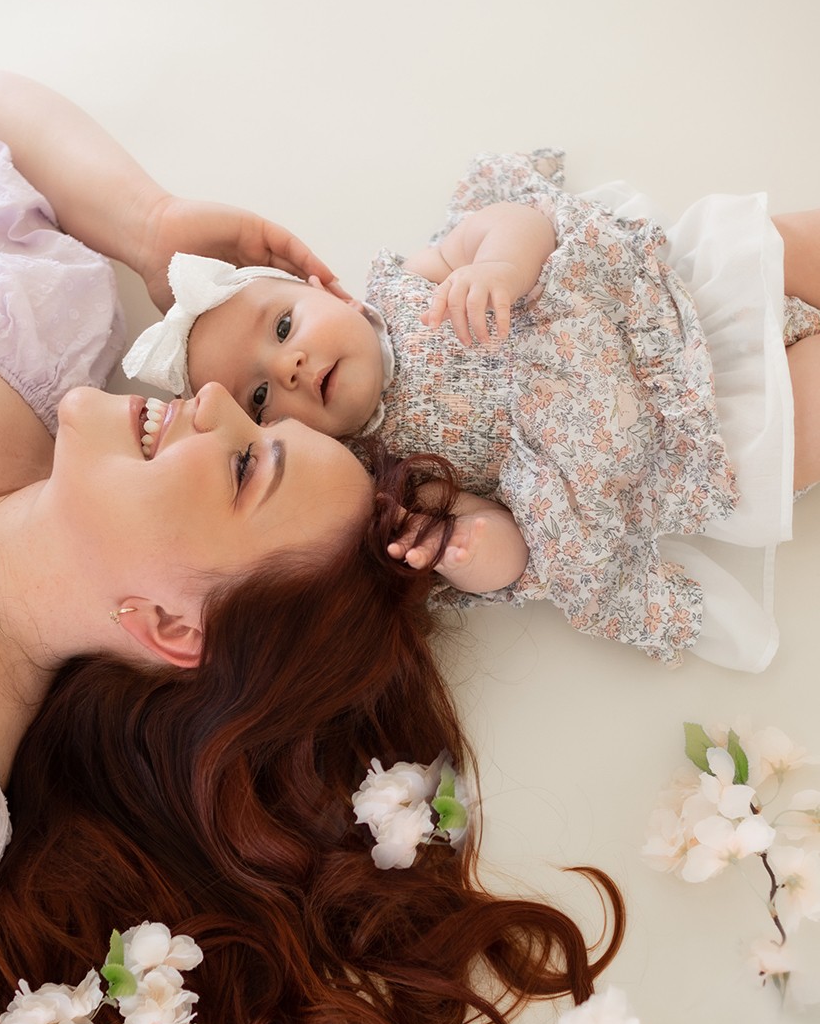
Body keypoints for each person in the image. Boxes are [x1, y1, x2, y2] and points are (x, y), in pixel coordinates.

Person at [0, 77, 625, 1024]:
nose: (201, 399)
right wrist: (147, 221)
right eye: (250, 414)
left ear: (167, 626)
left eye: (243, 461)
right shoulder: (30, 326)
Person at [124, 153, 820, 671]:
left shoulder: (412, 286)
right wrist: (466, 550)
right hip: (696, 442)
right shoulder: (393, 476)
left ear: (328, 292)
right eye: (260, 397)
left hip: (666, 308)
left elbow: (513, 223)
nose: (290, 366)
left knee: (768, 246)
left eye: (282, 328)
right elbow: (518, 551)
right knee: (793, 427)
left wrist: (500, 268)